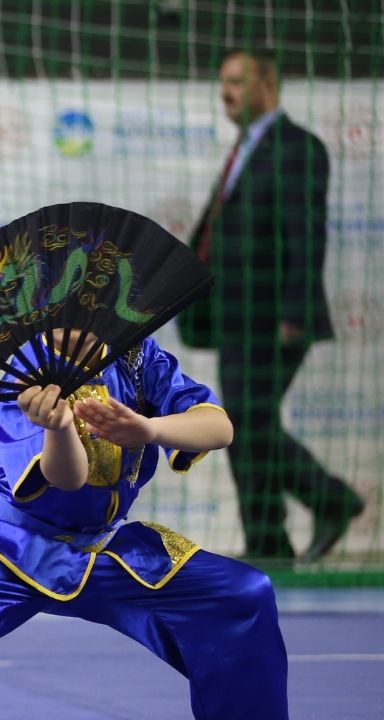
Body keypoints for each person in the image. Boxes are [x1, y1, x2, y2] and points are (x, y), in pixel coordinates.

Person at [0, 330, 289, 719]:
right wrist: (60, 427)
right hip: (4, 549)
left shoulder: (137, 358)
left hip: (104, 550)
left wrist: (148, 428)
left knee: (241, 593)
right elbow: (67, 479)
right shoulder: (23, 371)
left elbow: (219, 427)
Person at [178, 48, 363, 561]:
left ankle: (331, 501)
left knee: (247, 422)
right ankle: (268, 542)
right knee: (241, 427)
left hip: (275, 319)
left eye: (236, 81)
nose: (226, 92)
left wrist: (296, 313)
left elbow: (308, 237)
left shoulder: (297, 147)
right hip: (237, 319)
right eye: (223, 83)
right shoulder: (246, 147)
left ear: (267, 85)